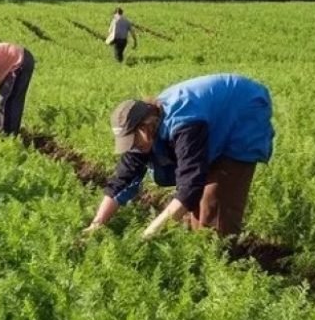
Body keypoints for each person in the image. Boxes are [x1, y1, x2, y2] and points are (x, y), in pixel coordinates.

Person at [85, 73, 274, 239]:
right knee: (199, 207)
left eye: (133, 141)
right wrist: (96, 225)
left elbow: (189, 187)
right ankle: (201, 247)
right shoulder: (146, 132)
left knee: (215, 205)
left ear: (144, 129)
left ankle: (219, 257)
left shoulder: (184, 125)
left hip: (243, 112)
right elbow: (122, 181)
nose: (132, 147)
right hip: (213, 118)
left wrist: (149, 234)